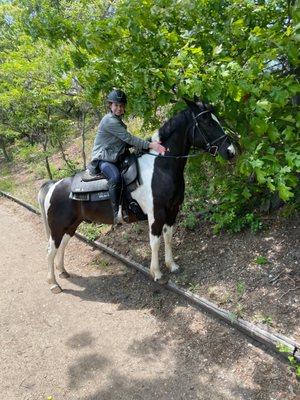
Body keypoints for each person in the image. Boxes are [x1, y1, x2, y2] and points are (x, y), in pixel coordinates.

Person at [86, 89, 166, 225]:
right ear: (110, 105)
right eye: (116, 105)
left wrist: (147, 143)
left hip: (116, 156)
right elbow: (129, 139)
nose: (119, 108)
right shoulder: (109, 121)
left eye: (121, 106)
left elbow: (124, 142)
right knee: (115, 177)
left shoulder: (117, 121)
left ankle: (134, 205)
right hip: (103, 159)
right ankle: (116, 213)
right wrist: (151, 145)